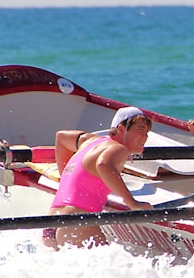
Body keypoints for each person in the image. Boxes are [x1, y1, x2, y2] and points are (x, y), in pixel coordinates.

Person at [44, 106, 154, 250]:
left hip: (52, 222)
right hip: (78, 221)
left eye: (146, 132)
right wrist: (133, 203)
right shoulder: (118, 148)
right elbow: (104, 165)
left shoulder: (89, 141)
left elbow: (61, 137)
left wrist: (66, 177)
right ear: (121, 128)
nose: (145, 137)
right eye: (140, 129)